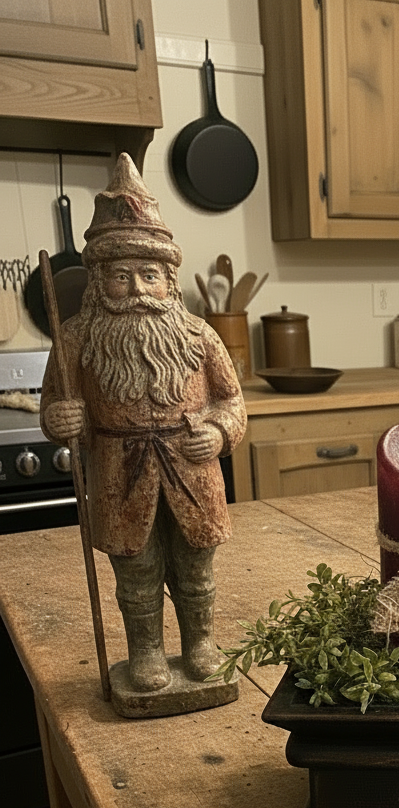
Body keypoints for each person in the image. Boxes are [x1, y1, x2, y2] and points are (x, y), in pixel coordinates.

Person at [40, 154, 247, 695]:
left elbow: (232, 401)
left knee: (196, 567)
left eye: (148, 275)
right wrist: (62, 418)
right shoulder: (77, 340)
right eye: (121, 276)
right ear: (98, 281)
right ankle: (147, 652)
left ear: (169, 280)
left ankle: (200, 644)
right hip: (118, 471)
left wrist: (218, 432)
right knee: (136, 571)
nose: (136, 288)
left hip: (191, 471)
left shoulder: (199, 335)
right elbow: (55, 405)